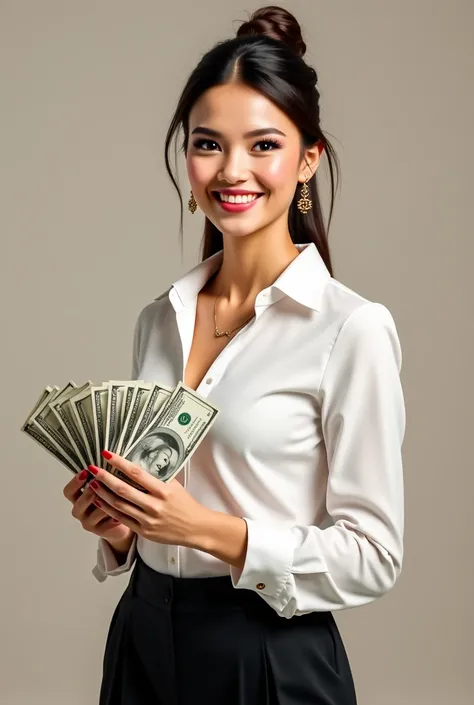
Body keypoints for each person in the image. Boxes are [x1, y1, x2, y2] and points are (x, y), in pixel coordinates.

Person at [63, 6, 406, 704]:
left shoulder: (352, 329)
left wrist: (210, 531)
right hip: (142, 639)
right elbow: (159, 510)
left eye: (263, 145)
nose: (231, 170)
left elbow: (374, 556)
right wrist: (123, 525)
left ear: (308, 158)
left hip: (269, 653)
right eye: (208, 144)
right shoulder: (158, 318)